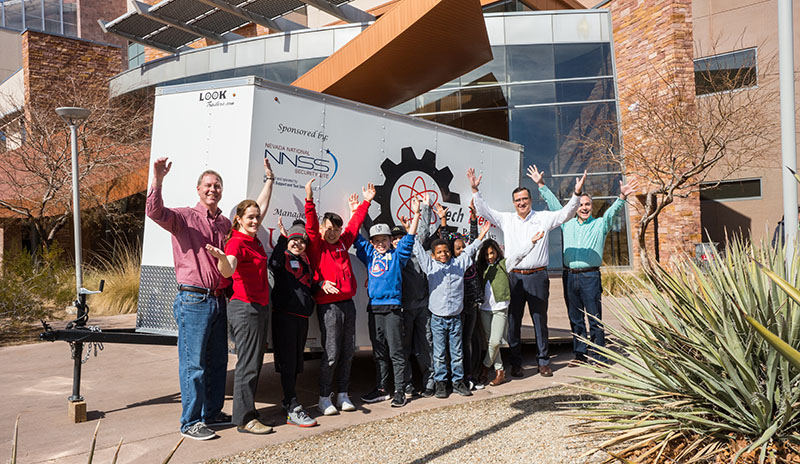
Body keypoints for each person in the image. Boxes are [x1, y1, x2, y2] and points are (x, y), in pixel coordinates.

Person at [468, 166, 585, 378]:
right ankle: (516, 363)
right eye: (517, 200)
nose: (521, 203)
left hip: (538, 276)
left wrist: (576, 194)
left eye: (524, 199)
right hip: (514, 278)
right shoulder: (507, 219)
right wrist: (475, 190)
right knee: (513, 321)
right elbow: (485, 211)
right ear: (514, 203)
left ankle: (543, 362)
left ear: (530, 200)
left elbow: (566, 214)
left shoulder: (543, 217)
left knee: (540, 319)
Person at [145, 157, 232, 440]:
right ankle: (190, 422)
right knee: (194, 364)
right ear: (198, 189)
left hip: (218, 300)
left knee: (218, 362)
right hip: (193, 300)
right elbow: (155, 212)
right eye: (208, 185)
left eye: (217, 186)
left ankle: (212, 413)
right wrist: (158, 179)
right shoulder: (183, 218)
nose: (213, 189)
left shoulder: (224, 223)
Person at [528, 166, 636, 366]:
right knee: (575, 318)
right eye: (581, 204)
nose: (584, 207)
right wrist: (541, 184)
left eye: (587, 204)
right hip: (569, 276)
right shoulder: (567, 223)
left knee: (595, 319)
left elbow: (612, 213)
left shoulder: (600, 224)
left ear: (592, 207)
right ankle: (580, 355)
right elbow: (554, 204)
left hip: (590, 277)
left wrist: (621, 197)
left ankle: (600, 356)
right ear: (576, 206)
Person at [204, 160, 275, 435]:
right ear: (238, 220)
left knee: (254, 362)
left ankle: (247, 413)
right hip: (245, 309)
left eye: (257, 217)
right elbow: (229, 268)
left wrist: (270, 180)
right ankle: (244, 420)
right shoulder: (236, 242)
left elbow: (261, 204)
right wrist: (222, 259)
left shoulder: (253, 238)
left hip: (258, 307)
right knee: (248, 364)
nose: (256, 220)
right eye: (250, 217)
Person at [305, 178, 374, 415]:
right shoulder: (317, 246)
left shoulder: (344, 242)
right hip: (328, 307)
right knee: (331, 354)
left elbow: (354, 225)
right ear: (323, 229)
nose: (332, 233)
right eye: (329, 229)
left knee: (347, 353)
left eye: (336, 229)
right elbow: (311, 226)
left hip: (348, 305)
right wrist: (309, 200)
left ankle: (343, 395)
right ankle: (325, 398)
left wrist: (365, 203)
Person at [412, 199, 490, 399]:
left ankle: (458, 382)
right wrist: (414, 221)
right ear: (434, 255)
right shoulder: (430, 267)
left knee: (457, 353)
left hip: (456, 318)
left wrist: (481, 234)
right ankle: (440, 384)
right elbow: (417, 250)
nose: (444, 254)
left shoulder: (460, 264)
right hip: (437, 319)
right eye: (439, 252)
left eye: (446, 251)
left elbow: (472, 248)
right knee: (438, 354)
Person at [353, 200, 420, 408]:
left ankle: (400, 390)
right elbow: (354, 236)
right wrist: (354, 211)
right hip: (374, 309)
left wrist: (417, 214)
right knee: (379, 352)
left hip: (392, 309)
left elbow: (409, 238)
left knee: (396, 352)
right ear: (372, 242)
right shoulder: (370, 254)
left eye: (384, 239)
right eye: (377, 240)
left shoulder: (398, 256)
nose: (380, 243)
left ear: (391, 240)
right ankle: (382, 389)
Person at [268, 218, 318, 428]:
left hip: (301, 319)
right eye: (294, 239)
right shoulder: (283, 257)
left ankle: (289, 399)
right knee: (287, 363)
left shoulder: (305, 262)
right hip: (284, 317)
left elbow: (309, 288)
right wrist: (282, 238)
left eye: (301, 241)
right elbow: (274, 264)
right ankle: (292, 405)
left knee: (297, 364)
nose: (297, 244)